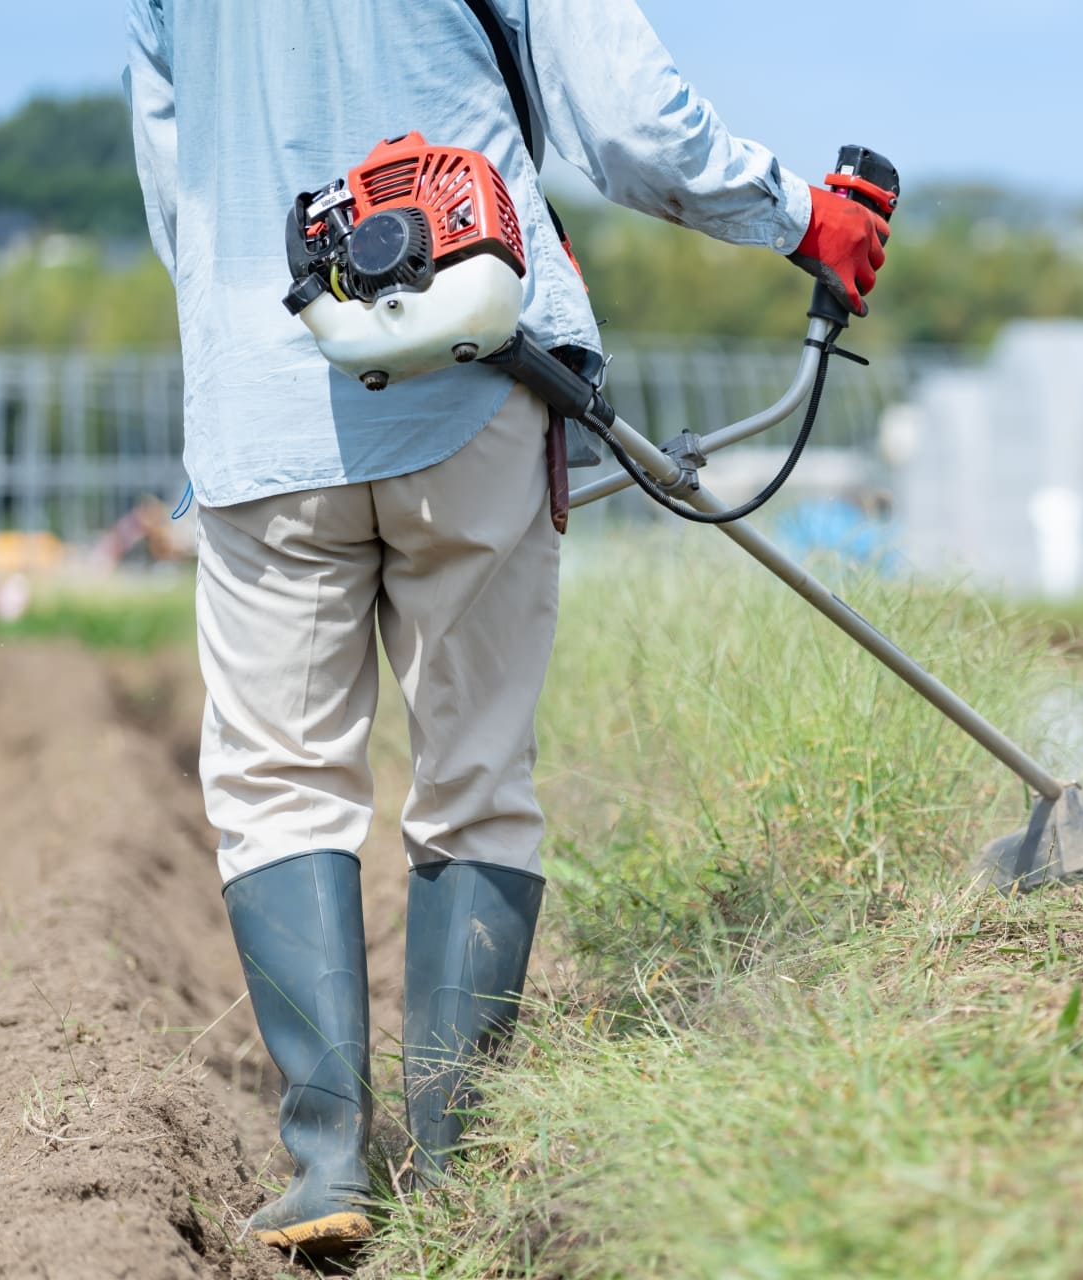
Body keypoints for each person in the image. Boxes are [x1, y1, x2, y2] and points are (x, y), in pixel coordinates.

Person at [123, 0, 889, 1254]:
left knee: (277, 785)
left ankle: (327, 1165)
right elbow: (634, 123)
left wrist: (244, 330)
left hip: (266, 397)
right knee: (474, 775)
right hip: (474, 371)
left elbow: (175, 173)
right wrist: (803, 214)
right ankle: (455, 1162)